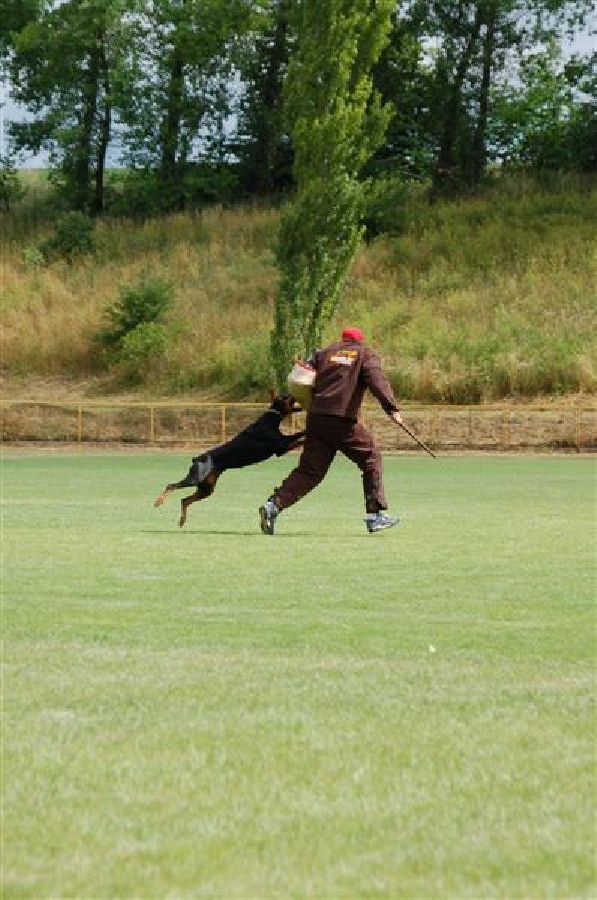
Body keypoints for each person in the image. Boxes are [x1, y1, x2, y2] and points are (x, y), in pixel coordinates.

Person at [259, 327, 405, 535]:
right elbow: (377, 380)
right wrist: (391, 408)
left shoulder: (324, 353)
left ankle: (273, 505)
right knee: (371, 458)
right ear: (360, 340)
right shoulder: (364, 353)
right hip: (341, 419)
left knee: (309, 471)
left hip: (316, 418)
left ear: (343, 339)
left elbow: (301, 378)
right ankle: (375, 515)